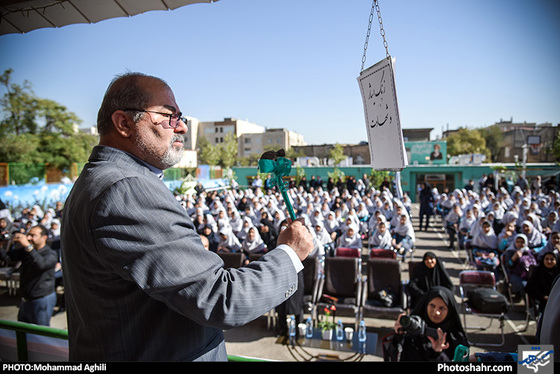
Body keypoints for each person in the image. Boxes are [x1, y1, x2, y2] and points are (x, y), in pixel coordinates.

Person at [60, 72, 314, 361]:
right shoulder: (128, 188)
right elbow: (221, 300)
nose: (180, 127)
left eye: (180, 117)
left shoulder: (98, 180)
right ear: (124, 123)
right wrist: (290, 253)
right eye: (169, 115)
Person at [387, 286, 468, 361]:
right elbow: (393, 356)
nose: (436, 312)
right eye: (432, 306)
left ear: (450, 311)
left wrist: (437, 353)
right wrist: (398, 336)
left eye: (442, 308)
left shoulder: (457, 339)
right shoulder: (414, 329)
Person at [9, 225, 58, 326]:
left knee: (41, 335)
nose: (29, 238)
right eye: (28, 235)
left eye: (33, 235)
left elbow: (41, 264)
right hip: (25, 300)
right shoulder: (26, 251)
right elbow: (8, 257)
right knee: (24, 332)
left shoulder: (51, 254)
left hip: (41, 301)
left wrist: (28, 247)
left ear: (44, 237)